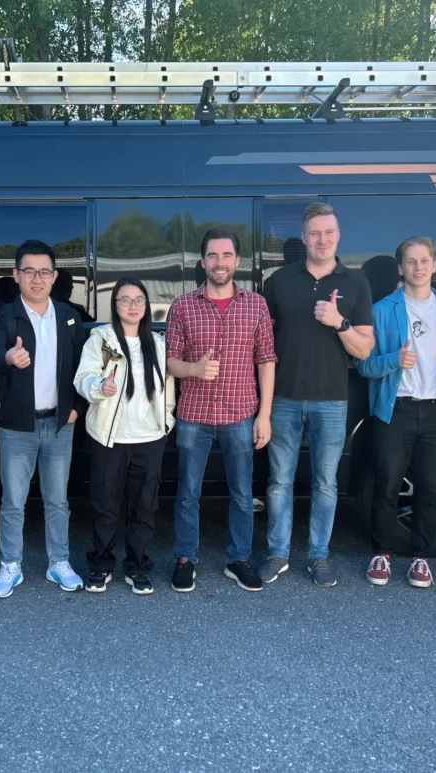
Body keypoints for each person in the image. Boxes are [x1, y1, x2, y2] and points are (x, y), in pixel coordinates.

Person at [259, 203, 374, 588]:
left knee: (326, 482)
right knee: (279, 481)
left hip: (331, 400)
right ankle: (278, 554)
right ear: (304, 238)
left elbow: (364, 349)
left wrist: (338, 322)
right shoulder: (279, 281)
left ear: (338, 237)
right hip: (284, 397)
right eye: (315, 233)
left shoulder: (356, 284)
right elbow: (263, 343)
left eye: (328, 233)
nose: (322, 240)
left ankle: (318, 556)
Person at [166, 228, 277, 592]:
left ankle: (238, 559)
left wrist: (264, 415)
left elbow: (266, 360)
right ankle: (186, 559)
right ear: (203, 261)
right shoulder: (183, 306)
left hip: (240, 414)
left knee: (242, 493)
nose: (219, 262)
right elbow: (170, 361)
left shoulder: (256, 305)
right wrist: (194, 369)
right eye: (212, 255)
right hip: (194, 415)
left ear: (236, 261)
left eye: (226, 255)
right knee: (188, 493)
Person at [0, 239, 88, 597]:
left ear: (54, 276)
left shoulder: (69, 316)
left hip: (59, 424)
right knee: (13, 502)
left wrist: (77, 407)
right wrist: (8, 359)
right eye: (29, 271)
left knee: (57, 500)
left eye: (44, 272)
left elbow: (83, 368)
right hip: (17, 425)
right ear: (16, 275)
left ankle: (59, 562)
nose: (37, 279)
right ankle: (10, 565)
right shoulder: (3, 316)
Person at [355, 237, 436, 588]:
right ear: (401, 269)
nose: (418, 267)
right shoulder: (382, 310)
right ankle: (381, 553)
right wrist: (394, 360)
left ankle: (421, 558)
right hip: (395, 410)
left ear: (434, 266)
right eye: (411, 262)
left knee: (430, 488)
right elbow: (364, 366)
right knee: (387, 485)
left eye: (424, 260)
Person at [74, 279, 175, 595]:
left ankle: (137, 565)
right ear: (114, 304)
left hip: (150, 437)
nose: (133, 306)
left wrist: (166, 421)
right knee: (105, 504)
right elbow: (83, 378)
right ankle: (101, 565)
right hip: (110, 437)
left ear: (146, 305)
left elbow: (168, 390)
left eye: (139, 299)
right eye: (125, 299)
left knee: (144, 506)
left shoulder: (158, 343)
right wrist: (99, 387)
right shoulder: (101, 340)